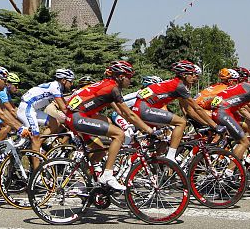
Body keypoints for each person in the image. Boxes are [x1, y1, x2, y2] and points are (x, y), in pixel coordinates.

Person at [64, 60, 154, 191]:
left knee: (99, 149)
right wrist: (149, 130)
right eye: (129, 77)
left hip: (76, 115)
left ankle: (90, 183)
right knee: (119, 134)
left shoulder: (108, 85)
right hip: (77, 117)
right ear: (121, 76)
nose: (130, 81)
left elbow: (121, 112)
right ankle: (107, 175)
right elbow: (130, 114)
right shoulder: (113, 89)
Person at [18, 69, 75, 152]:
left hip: (33, 109)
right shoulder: (55, 87)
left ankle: (37, 144)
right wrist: (75, 119)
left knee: (55, 123)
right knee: (35, 138)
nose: (72, 84)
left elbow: (66, 104)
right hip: (27, 108)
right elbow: (63, 108)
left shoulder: (58, 87)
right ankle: (35, 151)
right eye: (71, 81)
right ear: (63, 80)